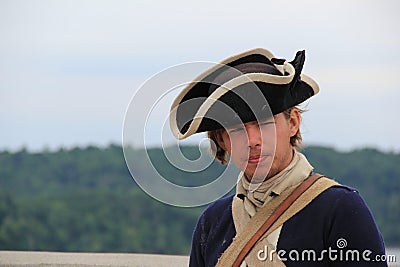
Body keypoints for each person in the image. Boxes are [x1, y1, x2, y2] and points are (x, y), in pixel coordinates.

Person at [169, 48, 387, 266]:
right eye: (236, 130)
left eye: (264, 123)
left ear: (293, 123)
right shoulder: (213, 222)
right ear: (222, 141)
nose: (252, 140)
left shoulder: (340, 209)